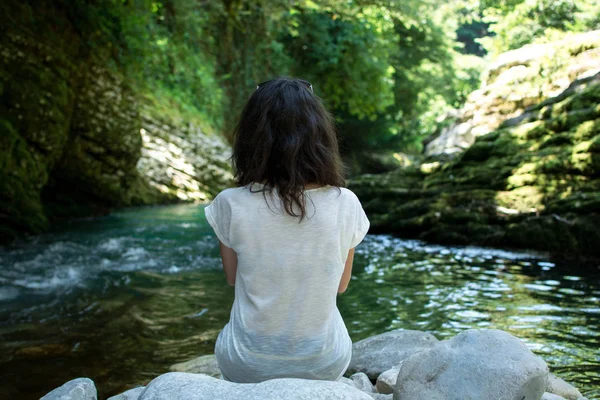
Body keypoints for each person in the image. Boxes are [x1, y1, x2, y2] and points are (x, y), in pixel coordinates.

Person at [204, 76, 370, 383]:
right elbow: (340, 285)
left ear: (251, 137)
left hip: (246, 362)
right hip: (324, 361)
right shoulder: (346, 203)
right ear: (320, 136)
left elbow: (232, 277)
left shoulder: (229, 203)